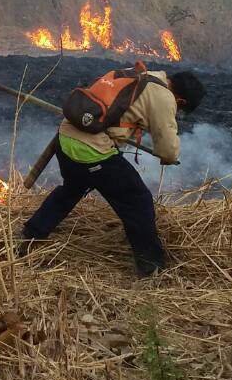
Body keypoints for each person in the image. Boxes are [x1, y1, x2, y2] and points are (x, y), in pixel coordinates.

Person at [20, 67, 205, 276]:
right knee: (138, 200)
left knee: (72, 188)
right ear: (181, 101)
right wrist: (170, 157)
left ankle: (31, 234)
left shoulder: (136, 74)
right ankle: (151, 267)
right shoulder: (164, 97)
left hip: (65, 140)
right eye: (180, 109)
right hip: (91, 150)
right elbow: (168, 149)